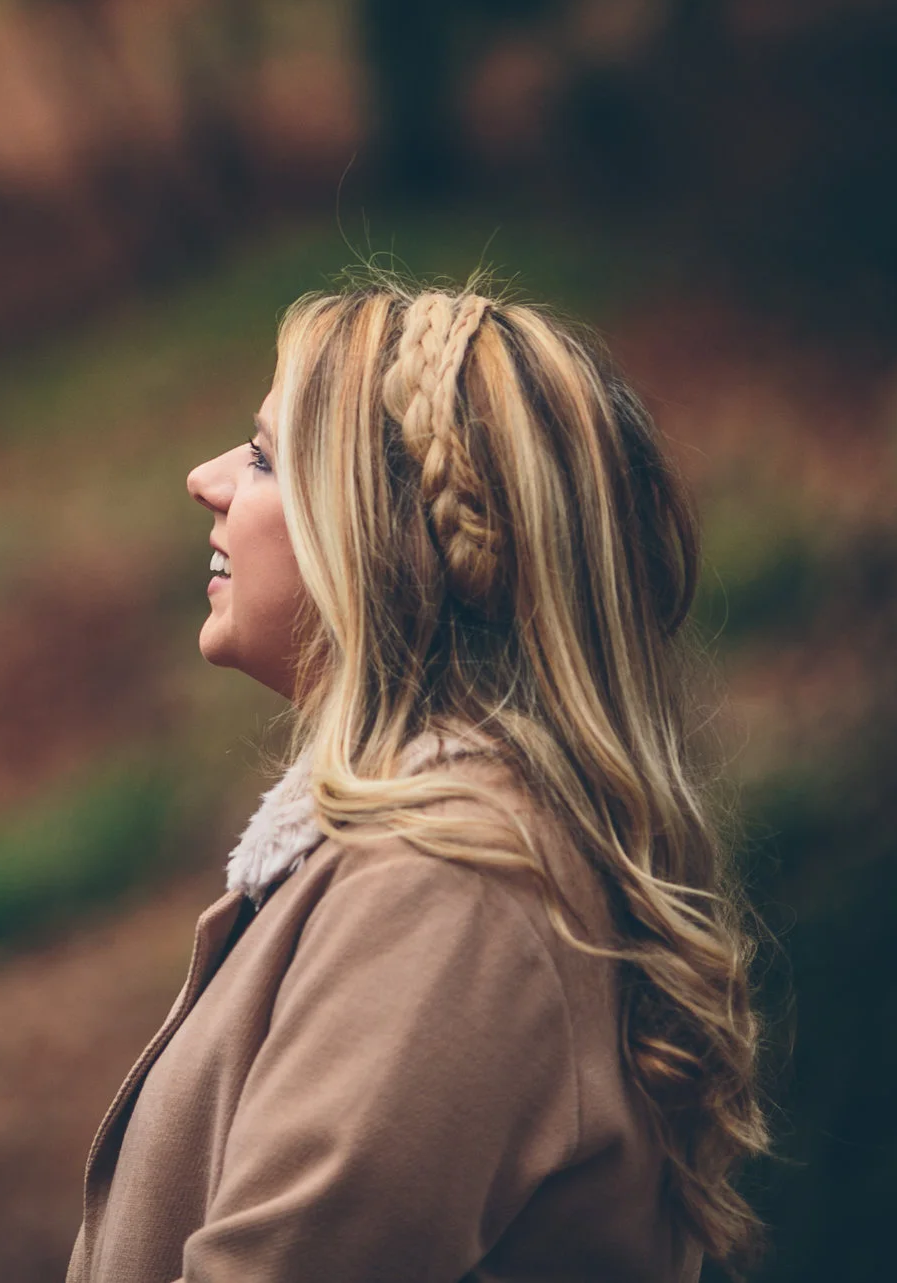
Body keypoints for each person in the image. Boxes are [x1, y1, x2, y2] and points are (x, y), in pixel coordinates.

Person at [69, 283, 768, 1283]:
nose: (205, 478)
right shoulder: (410, 852)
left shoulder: (455, 880)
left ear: (390, 534)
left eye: (265, 455)